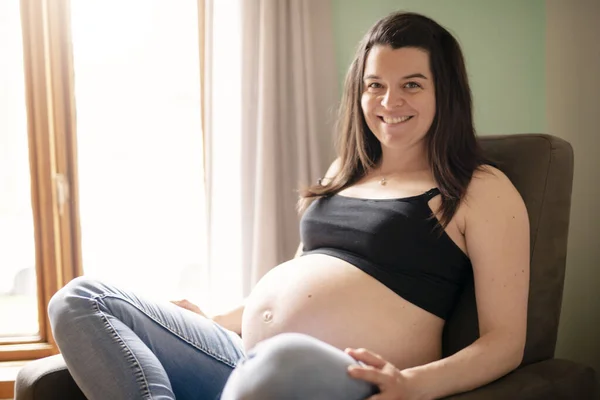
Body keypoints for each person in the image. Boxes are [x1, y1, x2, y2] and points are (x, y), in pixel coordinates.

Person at [48, 11, 530, 400]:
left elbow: (504, 343)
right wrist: (213, 322)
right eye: (374, 84)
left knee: (279, 360)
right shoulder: (344, 170)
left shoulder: (478, 189)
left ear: (445, 91)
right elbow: (305, 275)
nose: (389, 100)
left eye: (411, 84)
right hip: (245, 360)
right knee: (79, 299)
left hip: (332, 377)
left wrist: (412, 386)